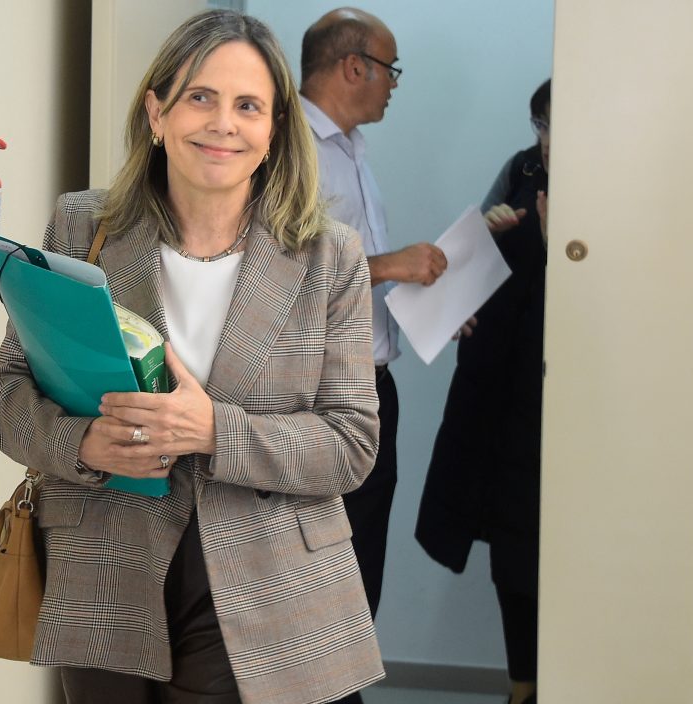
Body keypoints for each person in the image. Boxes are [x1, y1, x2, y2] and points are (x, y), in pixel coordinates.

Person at [0, 9, 385, 704]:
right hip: (102, 570)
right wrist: (83, 443)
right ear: (156, 112)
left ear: (274, 130)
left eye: (248, 106)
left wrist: (214, 430)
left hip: (265, 585)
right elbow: (3, 393)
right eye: (200, 97)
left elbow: (350, 445)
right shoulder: (84, 226)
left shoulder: (329, 255)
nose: (223, 123)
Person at [298, 7, 451, 630]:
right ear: (353, 67)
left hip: (373, 386)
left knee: (363, 567)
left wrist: (431, 302)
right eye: (391, 70)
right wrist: (391, 265)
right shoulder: (293, 151)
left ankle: (348, 676)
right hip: (319, 394)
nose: (393, 84)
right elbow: (285, 273)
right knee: (324, 575)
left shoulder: (352, 150)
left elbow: (353, 278)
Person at [416, 79, 551, 704]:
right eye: (541, 127)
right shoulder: (521, 169)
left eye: (557, 128)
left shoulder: (616, 180)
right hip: (505, 387)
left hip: (576, 393)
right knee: (512, 543)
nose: (546, 143)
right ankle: (522, 686)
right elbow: (462, 272)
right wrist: (490, 232)